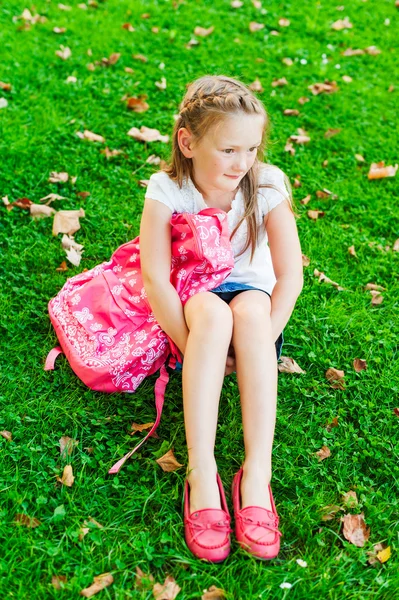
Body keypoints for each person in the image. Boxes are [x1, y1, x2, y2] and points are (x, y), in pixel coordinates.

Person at [139, 75, 303, 562]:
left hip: (253, 302)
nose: (242, 162)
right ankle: (201, 470)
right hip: (196, 300)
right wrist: (197, 352)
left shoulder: (267, 184)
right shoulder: (168, 189)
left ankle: (256, 473)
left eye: (251, 148)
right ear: (188, 143)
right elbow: (156, 280)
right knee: (213, 313)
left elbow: (289, 276)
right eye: (229, 150)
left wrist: (260, 346)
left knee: (250, 312)